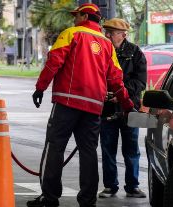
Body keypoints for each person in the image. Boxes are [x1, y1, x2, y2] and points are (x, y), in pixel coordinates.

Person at [27, 4, 135, 207]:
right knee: (89, 152)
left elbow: (54, 62)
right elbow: (116, 79)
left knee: (55, 147)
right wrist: (127, 105)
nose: (74, 19)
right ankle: (88, 201)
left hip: (67, 102)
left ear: (85, 16)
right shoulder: (107, 44)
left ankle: (50, 198)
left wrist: (40, 88)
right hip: (93, 107)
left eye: (77, 15)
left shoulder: (71, 34)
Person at [98, 18, 147, 198]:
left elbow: (140, 82)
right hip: (106, 108)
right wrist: (104, 93)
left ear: (124, 35)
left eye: (112, 33)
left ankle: (133, 185)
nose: (108, 35)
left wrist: (120, 93)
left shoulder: (135, 53)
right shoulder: (101, 51)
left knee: (131, 149)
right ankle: (110, 186)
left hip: (129, 108)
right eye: (107, 32)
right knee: (107, 148)